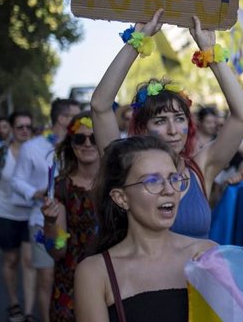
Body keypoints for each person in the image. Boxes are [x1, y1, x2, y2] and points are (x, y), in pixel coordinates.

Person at [91, 9, 243, 239]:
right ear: (143, 128)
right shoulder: (121, 164)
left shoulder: (200, 169)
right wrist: (137, 40)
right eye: (160, 121)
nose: (173, 130)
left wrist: (210, 54)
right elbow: (100, 105)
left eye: (179, 119)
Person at [74, 136, 215, 321]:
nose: (169, 190)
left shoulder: (208, 254)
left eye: (173, 178)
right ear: (121, 198)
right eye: (152, 181)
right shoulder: (95, 273)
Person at [11, 99, 81, 322]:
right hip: (43, 222)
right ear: (63, 119)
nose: (81, 121)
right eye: (76, 116)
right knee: (46, 276)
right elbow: (17, 180)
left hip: (77, 221)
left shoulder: (81, 144)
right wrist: (35, 193)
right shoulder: (33, 148)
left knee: (77, 277)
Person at [39, 112, 99, 321]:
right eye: (80, 138)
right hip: (71, 281)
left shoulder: (118, 185)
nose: (87, 143)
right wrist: (50, 222)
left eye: (94, 137)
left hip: (112, 277)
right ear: (72, 144)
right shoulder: (61, 187)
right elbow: (57, 251)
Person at [0, 111, 35, 322]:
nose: (25, 131)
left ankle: (27, 312)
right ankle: (13, 303)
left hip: (31, 214)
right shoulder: (0, 152)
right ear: (12, 128)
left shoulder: (40, 151)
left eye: (28, 127)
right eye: (20, 127)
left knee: (28, 260)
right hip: (4, 213)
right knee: (11, 259)